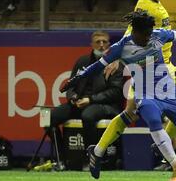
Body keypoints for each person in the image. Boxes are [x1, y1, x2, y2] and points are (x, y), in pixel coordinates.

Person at [60, 11, 176, 181]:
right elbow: (96, 66)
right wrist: (76, 79)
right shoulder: (121, 47)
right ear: (135, 31)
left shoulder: (158, 35)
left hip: (169, 92)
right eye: (145, 34)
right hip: (145, 94)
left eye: (150, 33)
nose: (149, 38)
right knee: (154, 121)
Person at [97, 0, 176, 159]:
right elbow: (130, 32)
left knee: (130, 113)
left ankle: (98, 150)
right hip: (155, 67)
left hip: (161, 66)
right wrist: (117, 57)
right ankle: (162, 144)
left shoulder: (153, 3)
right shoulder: (146, 6)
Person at [50, 31, 124, 163]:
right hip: (80, 103)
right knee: (50, 117)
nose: (101, 45)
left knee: (88, 115)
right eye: (98, 42)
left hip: (106, 105)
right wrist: (72, 97)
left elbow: (115, 92)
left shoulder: (114, 64)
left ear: (109, 44)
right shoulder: (82, 61)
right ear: (92, 44)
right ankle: (61, 157)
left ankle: (92, 157)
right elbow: (71, 85)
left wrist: (90, 99)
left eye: (104, 42)